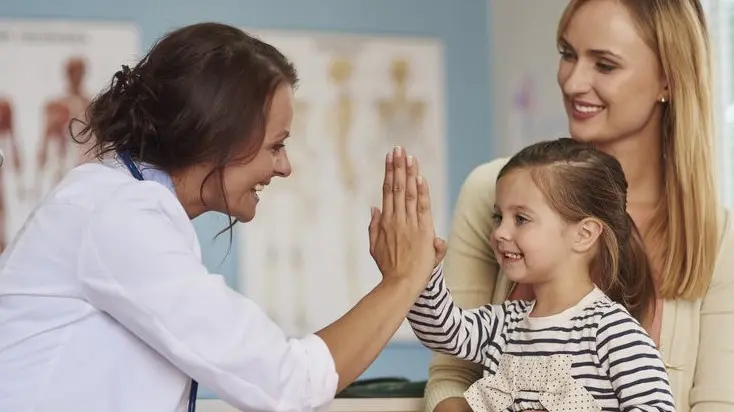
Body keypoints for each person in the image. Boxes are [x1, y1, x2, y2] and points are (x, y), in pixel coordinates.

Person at [0, 22, 445, 412]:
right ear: (216, 136)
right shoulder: (118, 217)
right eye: (276, 145)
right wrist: (402, 281)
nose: (284, 166)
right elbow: (288, 383)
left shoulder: (119, 204)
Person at [424, 1, 734, 412]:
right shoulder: (491, 192)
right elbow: (452, 371)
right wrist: (414, 272)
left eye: (604, 65)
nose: (572, 82)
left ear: (668, 80)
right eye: (567, 54)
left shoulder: (717, 237)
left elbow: (718, 403)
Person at [410, 138, 675, 412]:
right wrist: (420, 271)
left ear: (583, 234)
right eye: (498, 217)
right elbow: (442, 331)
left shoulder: (614, 333)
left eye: (521, 219)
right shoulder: (504, 323)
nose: (500, 233)